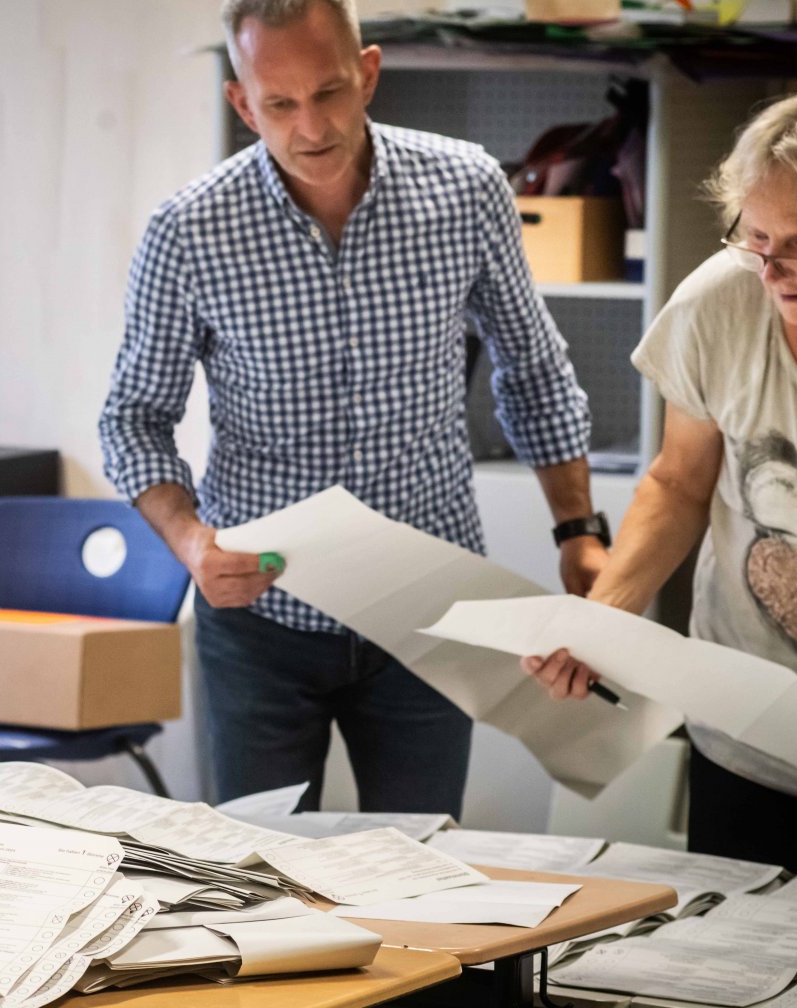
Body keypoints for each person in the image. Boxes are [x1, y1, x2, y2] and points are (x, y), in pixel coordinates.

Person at [99, 0, 600, 814]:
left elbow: (534, 370)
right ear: (241, 103)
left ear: (368, 72)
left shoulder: (466, 190)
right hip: (261, 624)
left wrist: (578, 532)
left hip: (432, 613)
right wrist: (191, 544)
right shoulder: (188, 230)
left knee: (420, 879)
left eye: (329, 92)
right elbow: (133, 416)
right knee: (258, 881)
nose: (310, 127)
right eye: (279, 104)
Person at [523, 83, 797, 875]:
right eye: (754, 233)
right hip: (749, 715)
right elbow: (677, 484)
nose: (769, 267)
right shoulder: (721, 302)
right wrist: (604, 623)